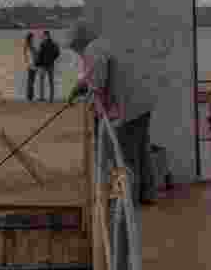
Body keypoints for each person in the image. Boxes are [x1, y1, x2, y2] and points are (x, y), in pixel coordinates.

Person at [66, 20, 156, 205]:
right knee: (141, 150)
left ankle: (125, 202)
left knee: (123, 157)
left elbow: (97, 83)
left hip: (127, 107)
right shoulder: (103, 44)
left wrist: (91, 102)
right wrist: (80, 86)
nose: (75, 52)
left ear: (79, 41)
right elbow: (97, 75)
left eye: (74, 47)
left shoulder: (92, 50)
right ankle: (147, 195)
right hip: (144, 101)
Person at [35, 30, 60, 102]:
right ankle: (50, 98)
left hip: (44, 65)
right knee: (50, 81)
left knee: (44, 81)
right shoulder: (53, 43)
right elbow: (57, 53)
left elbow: (40, 55)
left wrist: (37, 64)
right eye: (43, 36)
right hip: (49, 64)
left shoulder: (43, 44)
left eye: (44, 35)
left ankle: (43, 97)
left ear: (47, 35)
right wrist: (52, 59)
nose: (43, 37)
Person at [23, 32, 38, 101]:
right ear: (30, 38)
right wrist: (30, 64)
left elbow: (27, 56)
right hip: (32, 65)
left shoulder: (28, 45)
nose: (34, 39)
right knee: (31, 81)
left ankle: (30, 96)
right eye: (33, 38)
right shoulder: (29, 46)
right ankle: (30, 96)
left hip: (31, 65)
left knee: (31, 81)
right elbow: (29, 56)